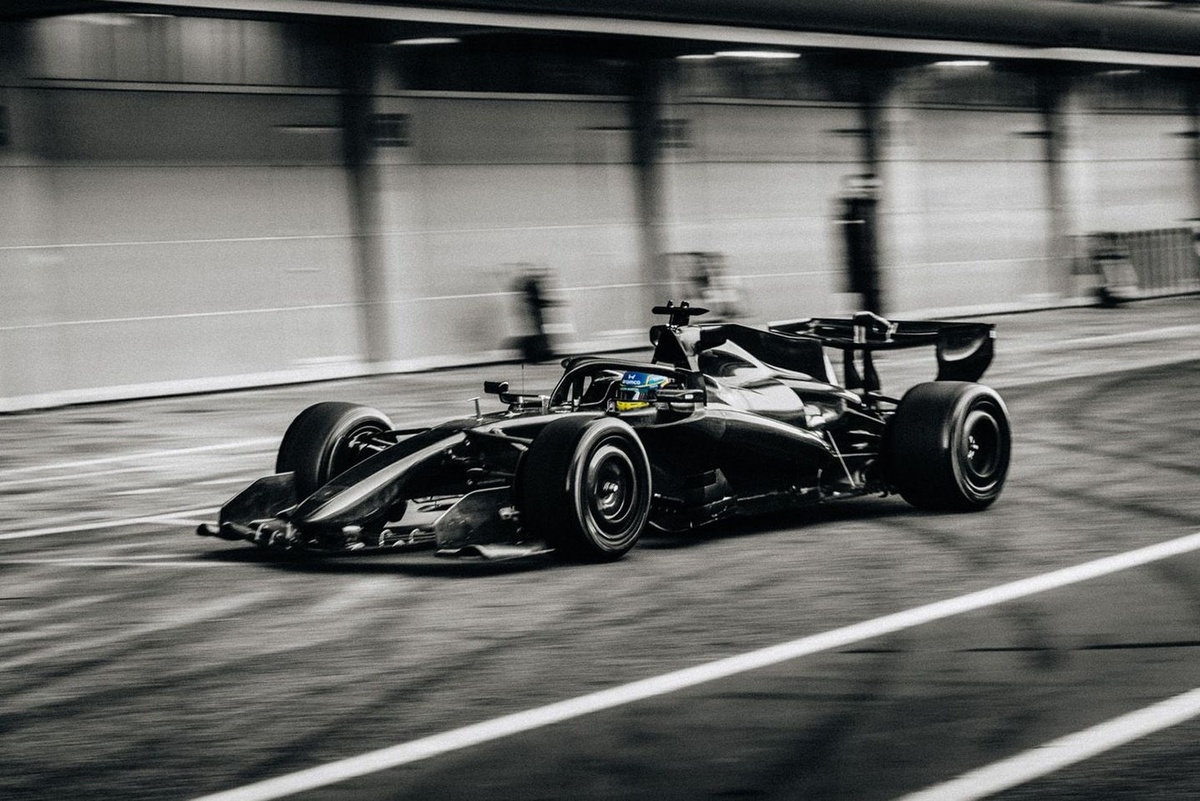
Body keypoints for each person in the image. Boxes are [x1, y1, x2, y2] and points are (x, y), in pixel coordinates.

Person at [839, 173, 883, 315]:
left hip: (869, 276)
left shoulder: (867, 208)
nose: (872, 191)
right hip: (864, 276)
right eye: (868, 187)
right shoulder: (855, 210)